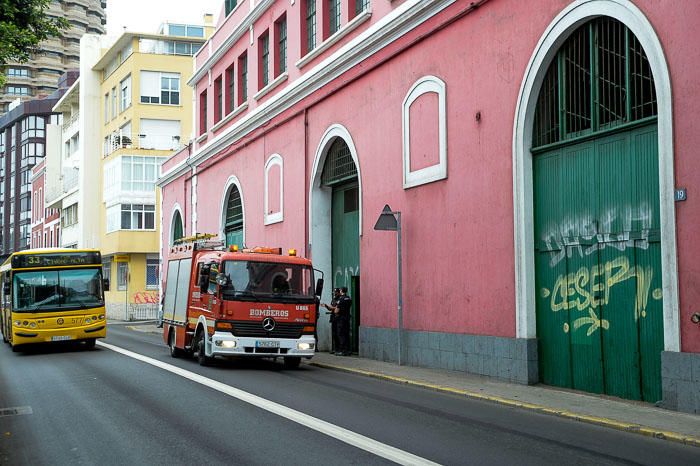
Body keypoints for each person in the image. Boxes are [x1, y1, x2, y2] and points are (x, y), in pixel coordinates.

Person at [327, 287, 352, 356]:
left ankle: (342, 350)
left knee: (341, 334)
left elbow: (336, 310)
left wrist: (335, 310)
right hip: (347, 318)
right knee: (346, 334)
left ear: (341, 291)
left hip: (341, 319)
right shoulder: (349, 298)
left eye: (340, 290)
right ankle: (348, 350)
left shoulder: (341, 299)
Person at [322, 288, 341, 352]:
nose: (334, 294)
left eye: (336, 292)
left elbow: (336, 308)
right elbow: (330, 309)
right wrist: (326, 306)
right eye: (334, 292)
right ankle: (335, 348)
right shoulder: (333, 300)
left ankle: (339, 349)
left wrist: (329, 307)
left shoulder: (340, 299)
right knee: (334, 333)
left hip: (339, 318)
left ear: (339, 293)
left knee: (339, 334)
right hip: (333, 318)